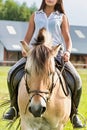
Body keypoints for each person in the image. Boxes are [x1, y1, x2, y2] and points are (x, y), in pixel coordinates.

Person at [3, 0, 84, 128]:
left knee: (76, 80)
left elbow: (68, 39)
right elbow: (27, 37)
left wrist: (67, 51)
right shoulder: (35, 15)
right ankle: (13, 108)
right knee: (12, 72)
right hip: (35, 54)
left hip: (55, 53)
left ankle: (74, 114)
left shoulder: (62, 17)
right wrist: (25, 48)